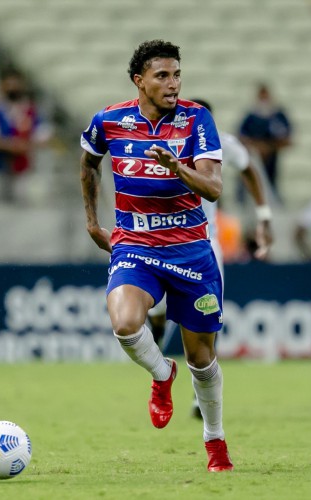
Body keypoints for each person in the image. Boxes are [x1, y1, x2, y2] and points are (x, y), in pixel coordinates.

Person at [80, 39, 233, 472]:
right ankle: (163, 374)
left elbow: (215, 189)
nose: (173, 83)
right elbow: (88, 161)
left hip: (190, 251)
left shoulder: (197, 120)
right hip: (136, 246)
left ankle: (215, 441)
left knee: (202, 360)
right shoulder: (110, 120)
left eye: (177, 74)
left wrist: (177, 168)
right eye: (162, 75)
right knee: (126, 324)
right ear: (140, 81)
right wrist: (93, 221)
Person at [146, 97, 274, 419]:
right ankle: (158, 332)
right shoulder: (164, 142)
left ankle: (196, 398)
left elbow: (248, 168)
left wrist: (263, 215)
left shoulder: (221, 143)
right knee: (158, 308)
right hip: (162, 241)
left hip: (205, 243)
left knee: (205, 320)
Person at [0, 68, 52, 204]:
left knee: (20, 206)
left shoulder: (31, 111)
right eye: (9, 85)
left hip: (20, 169)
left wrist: (24, 145)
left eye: (16, 85)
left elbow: (43, 138)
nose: (13, 89)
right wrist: (11, 146)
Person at [237, 83, 292, 200]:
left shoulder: (278, 116)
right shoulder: (251, 117)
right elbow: (241, 137)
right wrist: (257, 146)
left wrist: (269, 147)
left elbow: (287, 138)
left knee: (270, 186)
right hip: (253, 158)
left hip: (272, 160)